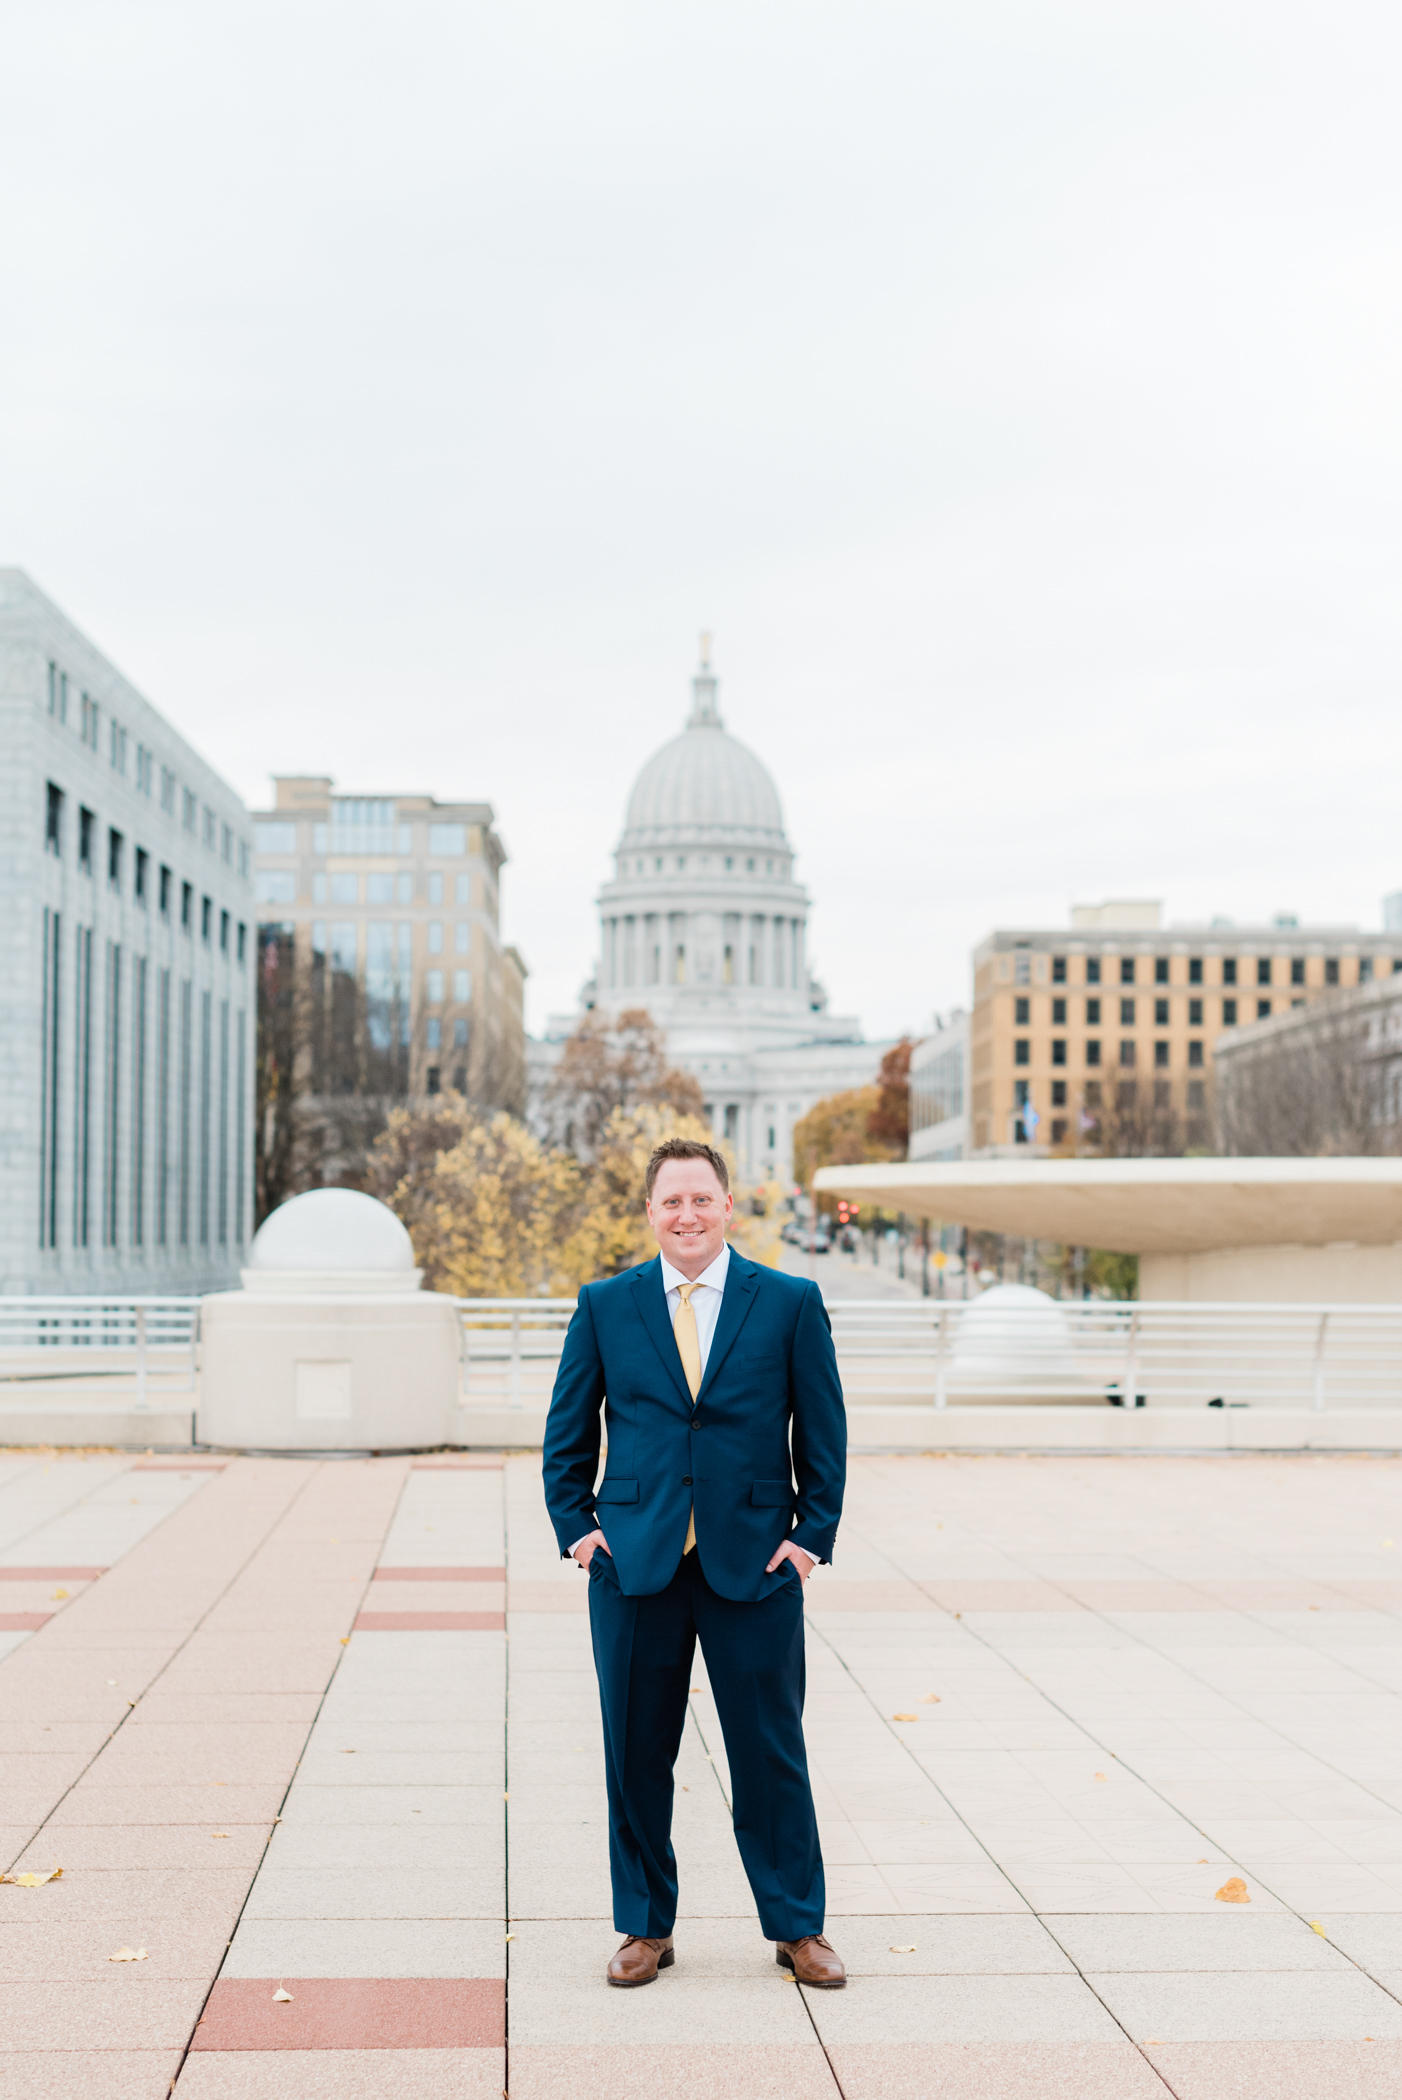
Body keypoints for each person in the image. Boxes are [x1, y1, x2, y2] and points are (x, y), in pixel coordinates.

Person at [542, 1136, 847, 1989]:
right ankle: (645, 1926)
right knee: (636, 1752)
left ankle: (798, 1928)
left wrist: (809, 1538)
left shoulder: (787, 1301)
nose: (686, 1214)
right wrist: (578, 1529)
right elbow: (567, 1432)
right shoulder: (606, 1303)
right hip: (633, 1565)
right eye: (671, 1201)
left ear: (727, 1207)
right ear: (650, 1213)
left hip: (754, 1563)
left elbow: (823, 1431)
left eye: (701, 1200)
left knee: (769, 1752)